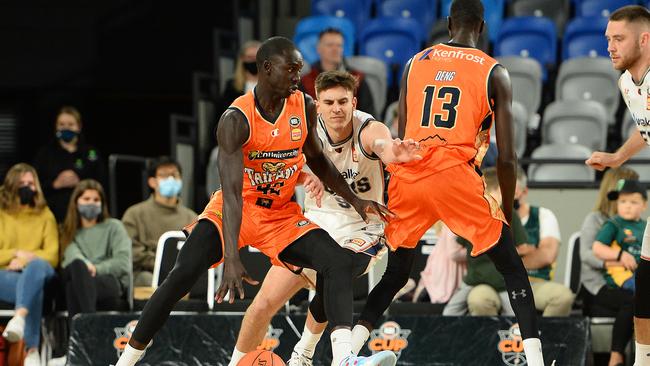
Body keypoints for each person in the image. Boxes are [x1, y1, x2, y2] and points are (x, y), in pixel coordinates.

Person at [114, 37, 398, 366]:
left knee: (337, 262)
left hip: (280, 216)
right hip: (236, 209)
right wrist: (232, 257)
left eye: (299, 69)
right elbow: (232, 193)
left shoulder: (303, 105)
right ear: (266, 69)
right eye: (290, 69)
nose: (296, 76)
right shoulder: (236, 118)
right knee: (183, 273)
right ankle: (126, 361)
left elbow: (318, 161)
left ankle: (344, 358)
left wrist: (357, 202)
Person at [349, 1, 547, 364]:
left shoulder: (414, 63)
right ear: (483, 27)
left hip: (410, 175)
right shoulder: (494, 71)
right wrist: (505, 204)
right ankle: (535, 359)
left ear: (449, 23)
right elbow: (506, 157)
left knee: (395, 274)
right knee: (512, 268)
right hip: (456, 177)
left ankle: (347, 353)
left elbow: (404, 132)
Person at [226, 70, 421, 366]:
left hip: (365, 224)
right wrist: (303, 177)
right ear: (317, 104)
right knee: (263, 304)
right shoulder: (303, 128)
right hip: (316, 221)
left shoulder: (368, 127)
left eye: (343, 101)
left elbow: (383, 145)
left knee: (337, 267)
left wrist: (395, 152)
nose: (337, 109)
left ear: (354, 102)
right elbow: (272, 167)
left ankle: (315, 355)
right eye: (329, 102)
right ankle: (238, 363)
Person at [585, 5, 650, 365]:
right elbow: (645, 129)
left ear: (645, 39)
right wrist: (616, 158)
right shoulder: (627, 82)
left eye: (619, 39)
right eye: (608, 39)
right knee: (645, 288)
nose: (610, 46)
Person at [443, 167, 529, 317]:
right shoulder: (472, 212)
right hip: (474, 281)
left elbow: (524, 248)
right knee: (449, 313)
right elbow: (460, 246)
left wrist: (504, 251)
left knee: (516, 319)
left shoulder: (508, 213)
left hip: (502, 282)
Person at [0, 163, 58, 366]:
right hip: (6, 275)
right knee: (33, 288)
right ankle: (32, 351)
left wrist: (25, 259)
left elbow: (52, 255)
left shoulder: (45, 214)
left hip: (40, 271)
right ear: (10, 186)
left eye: (30, 183)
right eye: (21, 183)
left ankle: (19, 318)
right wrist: (14, 254)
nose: (27, 187)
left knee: (36, 268)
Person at [592, 179, 646, 366]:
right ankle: (616, 355)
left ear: (644, 205)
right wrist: (620, 254)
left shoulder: (646, 226)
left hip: (642, 277)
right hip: (621, 279)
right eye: (623, 202)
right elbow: (597, 248)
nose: (627, 207)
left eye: (633, 202)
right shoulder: (614, 224)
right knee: (637, 298)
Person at [122, 157, 197, 287]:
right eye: (164, 175)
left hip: (183, 274)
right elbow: (132, 252)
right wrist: (164, 264)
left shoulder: (192, 218)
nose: (171, 179)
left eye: (174, 175)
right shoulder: (135, 214)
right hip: (147, 273)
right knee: (149, 280)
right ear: (152, 182)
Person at [514, 169, 575, 317]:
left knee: (563, 297)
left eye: (512, 190)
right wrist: (528, 250)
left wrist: (508, 256)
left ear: (524, 191)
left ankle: (544, 338)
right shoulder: (491, 216)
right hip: (497, 284)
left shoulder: (543, 215)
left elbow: (547, 256)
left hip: (535, 283)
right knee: (480, 299)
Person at [33, 106, 106, 222]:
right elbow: (35, 184)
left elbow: (101, 183)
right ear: (56, 127)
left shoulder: (91, 153)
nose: (66, 128)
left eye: (71, 124)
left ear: (79, 127)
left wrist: (81, 184)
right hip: (52, 215)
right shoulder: (45, 153)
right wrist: (54, 184)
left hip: (84, 217)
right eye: (61, 124)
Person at [301, 28, 375, 116]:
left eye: (339, 45)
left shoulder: (357, 78)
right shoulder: (306, 81)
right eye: (330, 45)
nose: (335, 49)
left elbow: (369, 115)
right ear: (319, 49)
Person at [216, 40, 262, 118]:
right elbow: (223, 116)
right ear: (242, 59)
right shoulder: (232, 87)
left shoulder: (275, 86)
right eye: (249, 57)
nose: (253, 61)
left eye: (256, 57)